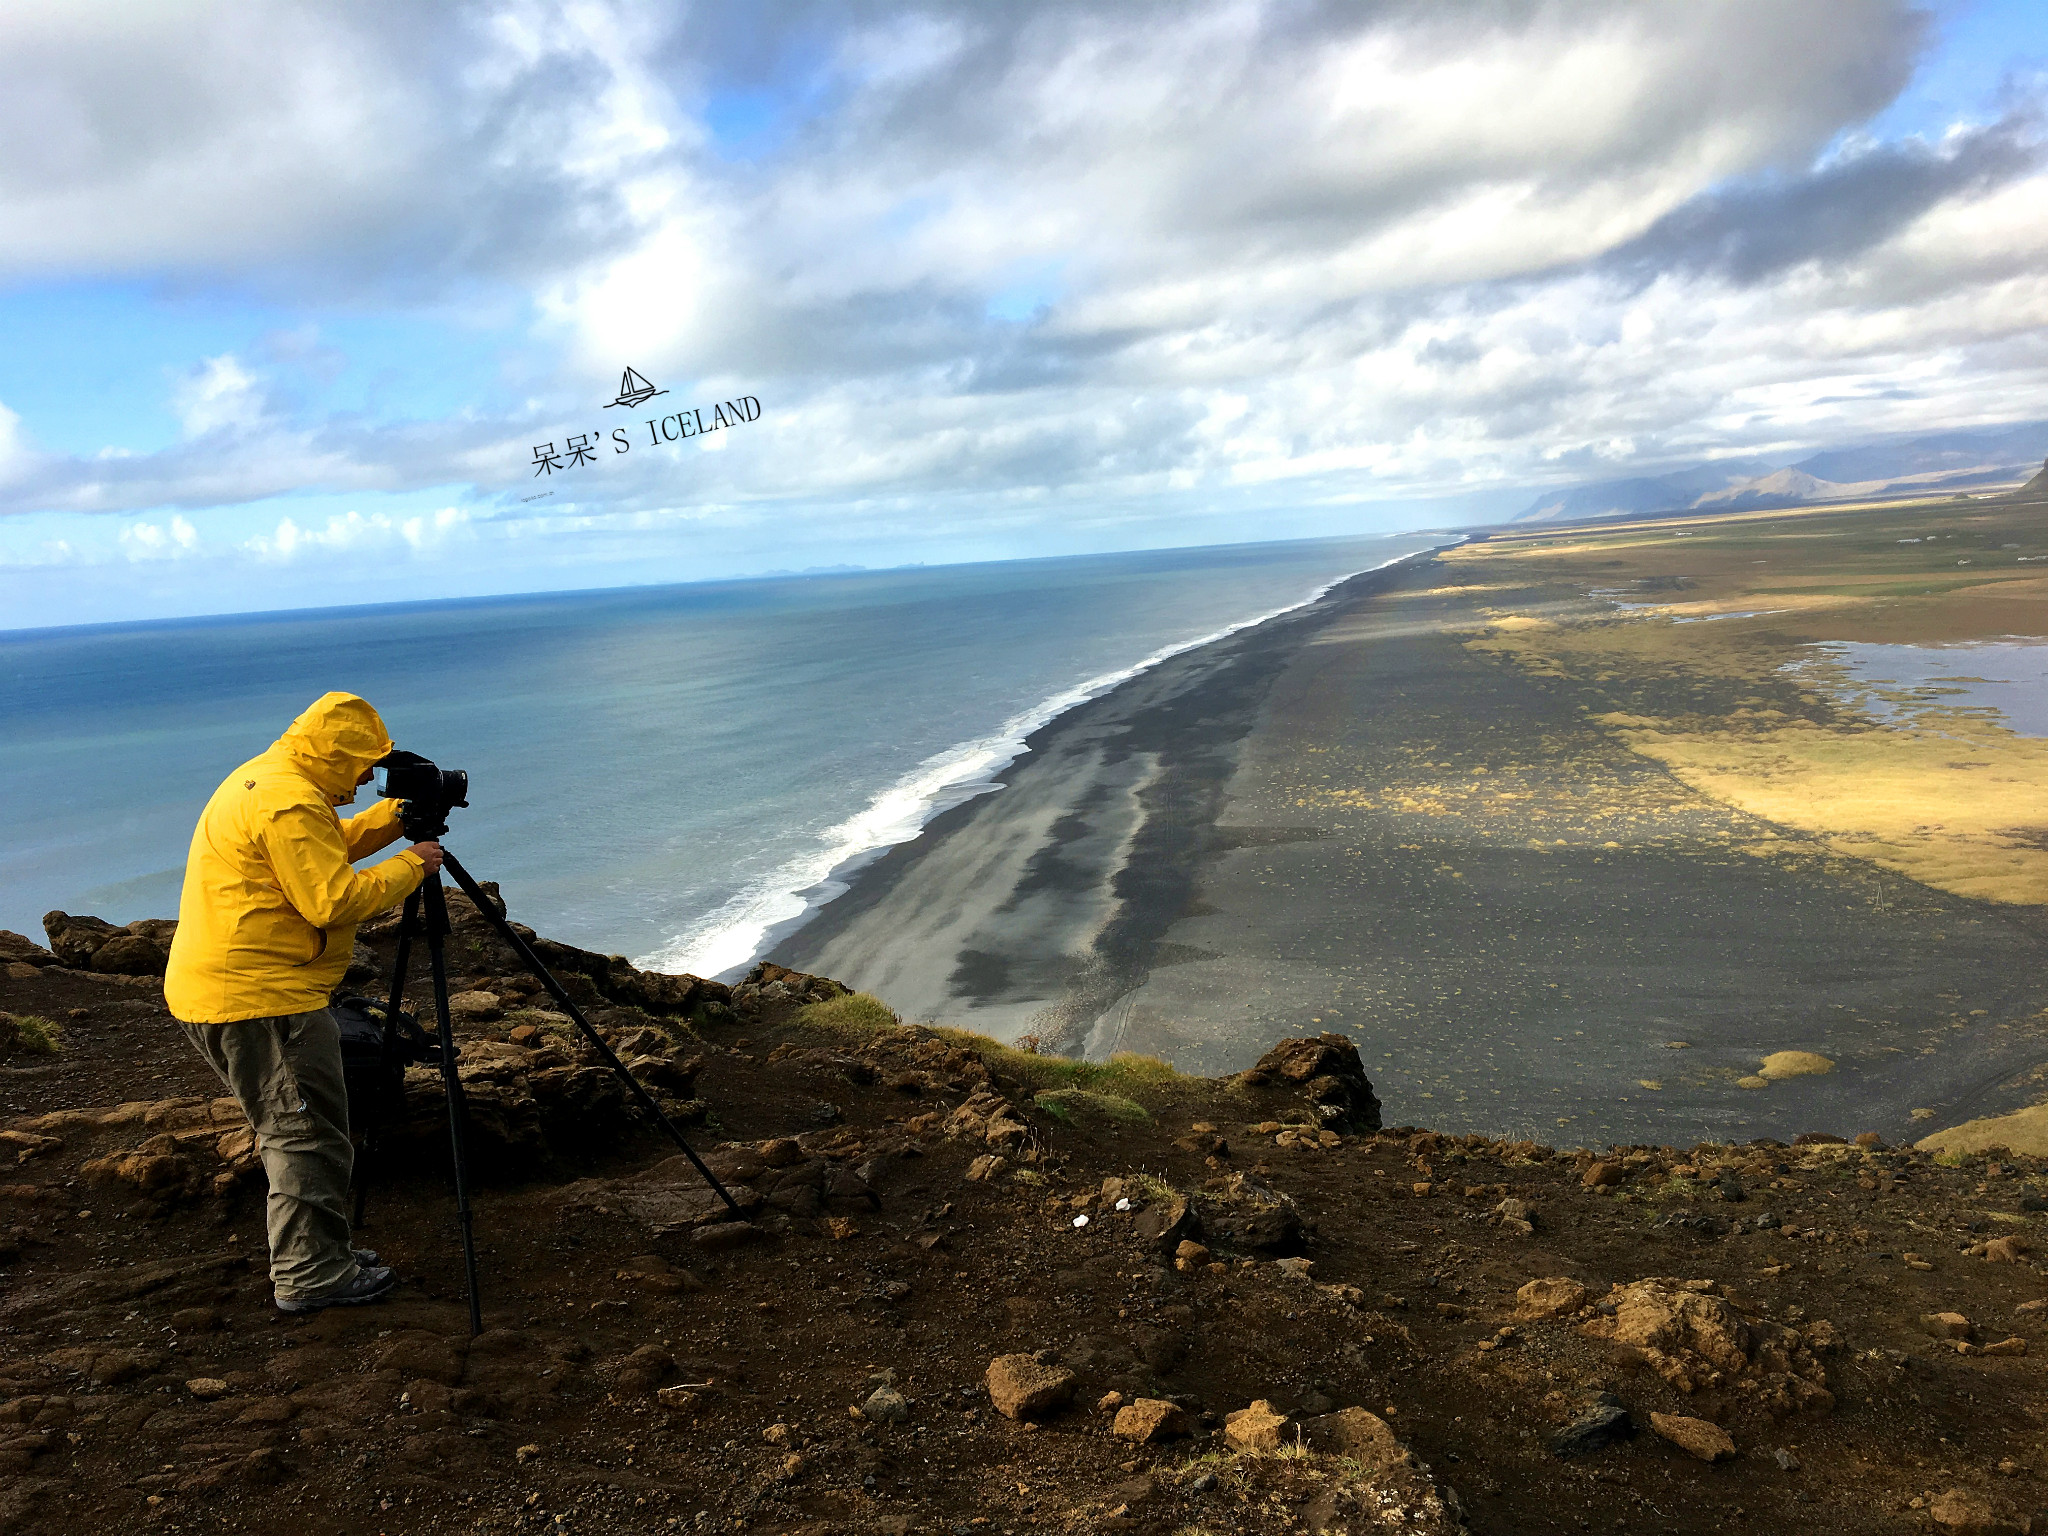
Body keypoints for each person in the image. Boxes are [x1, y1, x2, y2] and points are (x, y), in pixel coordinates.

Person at [164, 691, 443, 1313]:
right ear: (335, 751)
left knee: (298, 1129)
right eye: (365, 762)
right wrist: (412, 866)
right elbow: (332, 900)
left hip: (232, 988)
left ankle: (324, 1255)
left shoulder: (269, 780)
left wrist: (398, 817)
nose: (370, 775)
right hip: (260, 1000)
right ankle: (311, 1277)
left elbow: (324, 846)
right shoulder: (288, 800)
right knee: (304, 1136)